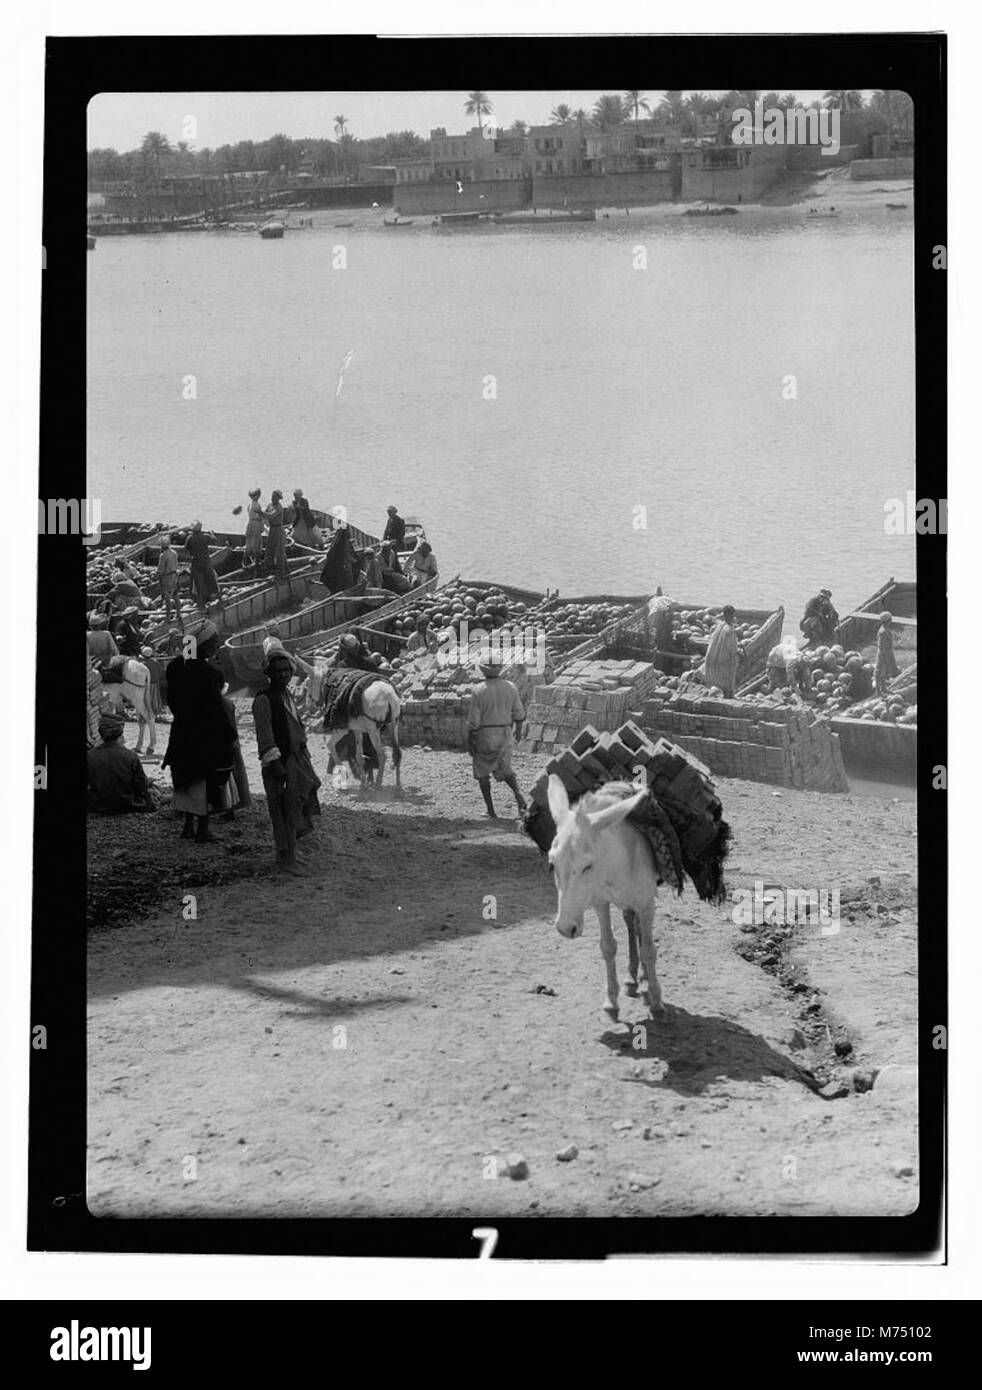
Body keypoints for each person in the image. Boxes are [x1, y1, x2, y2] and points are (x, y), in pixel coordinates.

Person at [161, 618, 237, 843]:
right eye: (213, 643)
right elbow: (214, 707)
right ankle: (203, 829)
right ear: (202, 645)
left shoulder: (175, 666)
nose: (215, 647)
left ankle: (187, 826)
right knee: (207, 779)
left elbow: (172, 700)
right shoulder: (208, 673)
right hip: (204, 735)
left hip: (182, 731)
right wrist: (229, 734)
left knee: (185, 778)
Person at [253, 649, 322, 875]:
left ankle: (290, 854)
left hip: (296, 759)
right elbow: (265, 736)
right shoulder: (263, 700)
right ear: (269, 673)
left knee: (295, 806)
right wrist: (277, 765)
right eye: (278, 671)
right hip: (280, 763)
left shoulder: (287, 696)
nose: (283, 675)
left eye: (286, 671)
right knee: (282, 811)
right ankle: (285, 859)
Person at [466, 656, 528, 820]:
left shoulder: (478, 690)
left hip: (485, 735)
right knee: (506, 768)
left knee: (483, 773)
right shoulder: (511, 687)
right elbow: (519, 712)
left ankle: (491, 811)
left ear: (483, 670)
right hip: (505, 732)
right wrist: (518, 730)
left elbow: (473, 721)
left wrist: (470, 740)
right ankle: (519, 795)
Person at [87, 713, 154, 814]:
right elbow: (141, 786)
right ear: (120, 732)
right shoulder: (131, 756)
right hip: (127, 805)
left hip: (97, 806)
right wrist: (150, 803)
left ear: (100, 732)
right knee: (154, 789)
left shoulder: (89, 755)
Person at [703, 605, 742, 697]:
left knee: (715, 681)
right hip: (722, 662)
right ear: (732, 615)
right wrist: (738, 653)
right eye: (732, 616)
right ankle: (728, 696)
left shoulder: (720, 625)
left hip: (711, 659)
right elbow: (732, 650)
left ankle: (715, 693)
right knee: (728, 680)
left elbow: (716, 618)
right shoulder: (729, 630)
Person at [184, 520, 222, 609]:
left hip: (196, 562)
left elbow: (187, 548)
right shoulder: (205, 537)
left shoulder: (190, 538)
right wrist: (212, 533)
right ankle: (220, 600)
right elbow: (215, 541)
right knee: (212, 581)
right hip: (206, 561)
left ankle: (201, 606)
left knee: (198, 584)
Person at [156, 535, 182, 628]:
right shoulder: (174, 552)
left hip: (167, 578)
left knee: (167, 598)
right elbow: (176, 565)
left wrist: (157, 574)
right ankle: (179, 614)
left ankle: (168, 618)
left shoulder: (163, 555)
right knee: (175, 595)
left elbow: (160, 570)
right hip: (175, 576)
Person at [264, 491, 288, 578]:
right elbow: (265, 515)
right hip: (272, 529)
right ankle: (269, 569)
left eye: (274, 497)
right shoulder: (270, 505)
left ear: (278, 498)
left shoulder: (279, 507)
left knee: (280, 552)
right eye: (272, 496)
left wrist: (261, 513)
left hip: (278, 529)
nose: (272, 498)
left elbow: (271, 516)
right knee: (269, 549)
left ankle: (282, 572)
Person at [875, 611, 900, 694]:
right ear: (888, 621)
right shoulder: (884, 632)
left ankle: (883, 688)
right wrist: (886, 656)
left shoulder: (884, 630)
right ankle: (878, 690)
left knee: (884, 671)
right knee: (880, 671)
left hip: (885, 652)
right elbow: (883, 645)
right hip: (884, 653)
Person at [244, 489, 264, 567]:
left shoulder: (251, 504)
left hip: (251, 523)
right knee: (256, 542)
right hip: (255, 524)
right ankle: (256, 560)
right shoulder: (255, 504)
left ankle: (247, 559)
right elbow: (257, 515)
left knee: (250, 542)